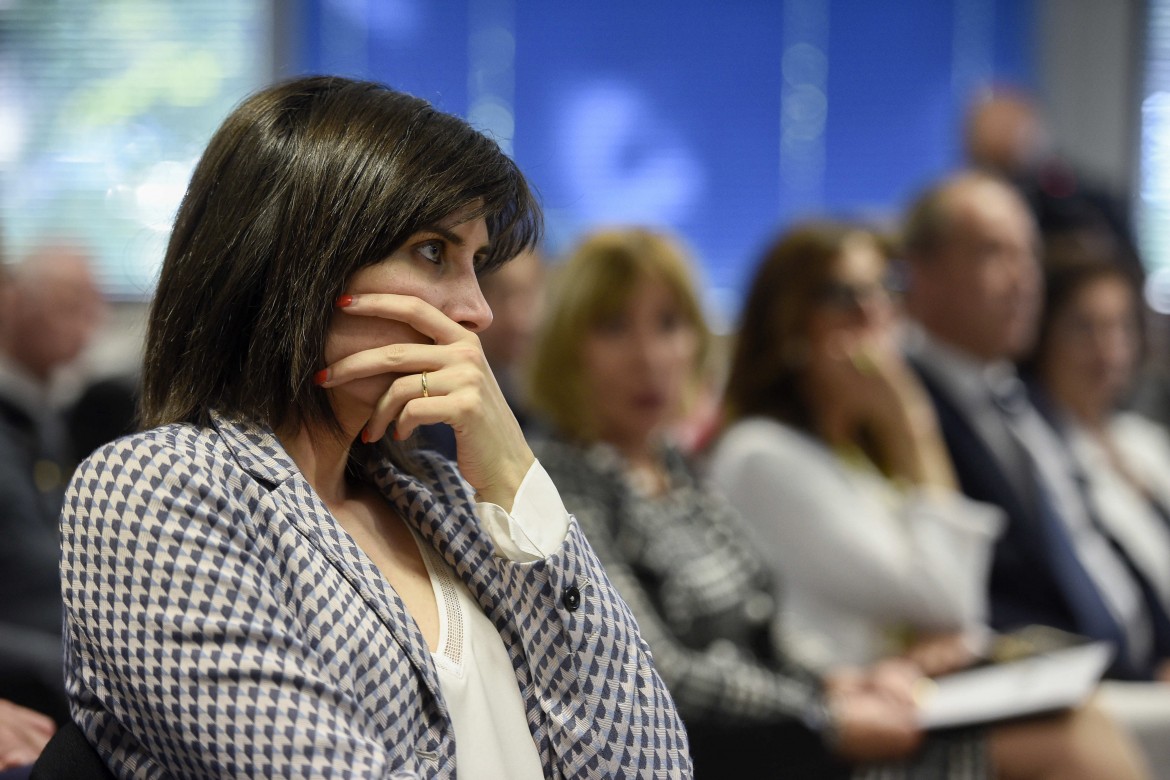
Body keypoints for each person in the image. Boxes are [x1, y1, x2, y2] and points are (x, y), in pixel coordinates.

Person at [59, 76, 690, 779]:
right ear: (298, 257)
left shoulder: (445, 500)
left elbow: (652, 768)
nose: (478, 311)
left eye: (476, 264)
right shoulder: (159, 489)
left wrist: (516, 482)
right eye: (432, 252)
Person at [528, 227, 1146, 779]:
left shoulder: (671, 466)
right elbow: (651, 671)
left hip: (799, 725)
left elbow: (769, 624)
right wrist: (826, 706)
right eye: (613, 327)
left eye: (669, 324)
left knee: (1077, 722)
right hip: (732, 753)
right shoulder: (574, 480)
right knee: (1065, 740)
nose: (650, 357)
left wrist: (843, 681)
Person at [902, 170, 1170, 683]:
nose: (1023, 278)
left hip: (1139, 670)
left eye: (1028, 255)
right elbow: (981, 594)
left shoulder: (1024, 396)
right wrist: (1118, 674)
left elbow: (1094, 542)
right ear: (923, 272)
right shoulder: (906, 404)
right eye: (993, 253)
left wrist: (1159, 648)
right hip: (1058, 684)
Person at [711, 221, 1003, 674]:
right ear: (790, 327)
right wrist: (913, 425)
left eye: (888, 287)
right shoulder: (761, 456)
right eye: (845, 297)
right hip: (841, 729)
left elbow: (956, 615)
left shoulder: (856, 454)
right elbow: (950, 600)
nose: (875, 312)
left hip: (908, 702)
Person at [1024, 257, 1170, 623]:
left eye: (1122, 327)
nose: (1109, 350)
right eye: (1085, 329)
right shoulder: (1038, 451)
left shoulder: (1143, 438)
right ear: (1043, 335)